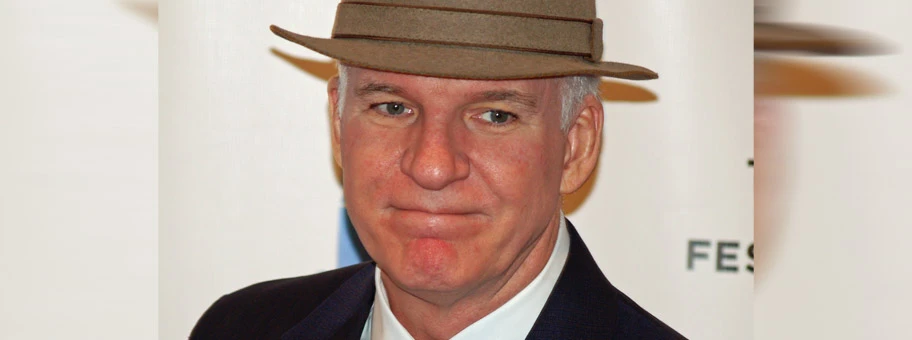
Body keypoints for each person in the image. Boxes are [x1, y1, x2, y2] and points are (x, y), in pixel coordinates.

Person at [190, 0, 685, 339]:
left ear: (575, 146)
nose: (431, 167)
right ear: (339, 125)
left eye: (496, 115)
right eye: (391, 107)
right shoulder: (241, 328)